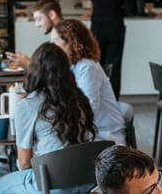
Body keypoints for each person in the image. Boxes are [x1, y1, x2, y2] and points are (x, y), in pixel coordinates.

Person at [0, 43, 98, 194]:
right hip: (88, 182)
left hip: (54, 186)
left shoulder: (28, 104)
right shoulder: (80, 98)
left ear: (35, 70)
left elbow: (24, 163)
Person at [51, 18, 127, 146]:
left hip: (104, 138)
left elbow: (88, 111)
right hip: (91, 133)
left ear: (71, 43)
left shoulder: (87, 67)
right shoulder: (74, 66)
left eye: (55, 42)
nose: (52, 47)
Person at [85, 0, 128, 98]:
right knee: (114, 67)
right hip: (116, 27)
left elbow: (93, 2)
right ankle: (113, 101)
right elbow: (126, 6)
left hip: (97, 27)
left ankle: (97, 98)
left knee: (96, 64)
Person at [5, 0, 64, 69]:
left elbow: (56, 72)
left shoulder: (63, 37)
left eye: (39, 19)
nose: (37, 25)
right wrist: (29, 61)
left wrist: (28, 64)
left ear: (52, 15)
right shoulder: (58, 35)